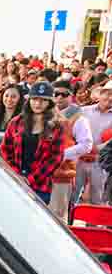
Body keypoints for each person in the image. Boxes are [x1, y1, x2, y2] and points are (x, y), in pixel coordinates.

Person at [1, 81, 64, 204]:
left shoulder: (56, 126)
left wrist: (30, 179)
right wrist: (16, 174)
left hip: (40, 186)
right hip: (14, 180)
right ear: (28, 100)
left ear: (50, 103)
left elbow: (55, 158)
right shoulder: (16, 122)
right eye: (34, 99)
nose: (38, 103)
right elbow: (6, 149)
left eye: (43, 100)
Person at [49, 80, 93, 220]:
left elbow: (86, 144)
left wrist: (61, 155)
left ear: (71, 96)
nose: (59, 97)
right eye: (56, 94)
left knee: (56, 218)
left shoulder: (78, 118)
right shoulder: (45, 113)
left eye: (64, 94)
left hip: (62, 174)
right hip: (40, 174)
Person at [74, 83, 112, 205]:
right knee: (72, 195)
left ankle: (93, 224)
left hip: (100, 163)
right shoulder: (84, 110)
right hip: (78, 160)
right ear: (100, 94)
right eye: (108, 94)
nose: (110, 98)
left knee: (98, 199)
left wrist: (96, 149)